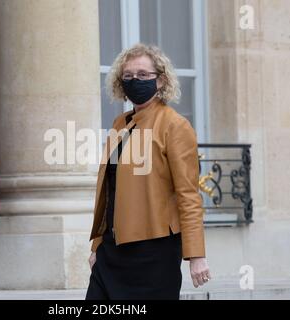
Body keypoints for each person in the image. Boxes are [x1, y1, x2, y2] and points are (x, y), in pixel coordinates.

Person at [86, 43, 210, 300]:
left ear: (161, 80)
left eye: (143, 75)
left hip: (154, 253)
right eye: (128, 76)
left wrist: (196, 255)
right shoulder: (120, 124)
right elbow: (111, 189)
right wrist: (98, 244)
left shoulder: (175, 125)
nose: (135, 81)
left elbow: (188, 195)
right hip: (111, 252)